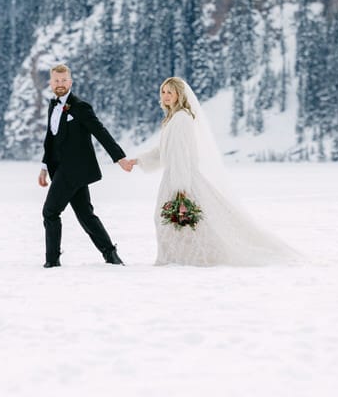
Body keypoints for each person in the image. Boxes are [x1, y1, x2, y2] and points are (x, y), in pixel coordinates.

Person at [119, 77, 302, 266]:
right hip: (174, 177)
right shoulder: (173, 118)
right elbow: (164, 151)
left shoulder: (181, 118)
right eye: (163, 92)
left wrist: (181, 190)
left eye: (170, 92)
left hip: (181, 178)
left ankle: (183, 258)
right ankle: (177, 257)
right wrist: (138, 160)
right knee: (177, 221)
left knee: (181, 221)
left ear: (179, 95)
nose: (165, 96)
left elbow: (181, 154)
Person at [38, 64, 132, 268]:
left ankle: (52, 260)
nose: (60, 84)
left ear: (70, 82)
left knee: (50, 212)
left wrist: (120, 158)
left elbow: (100, 132)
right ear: (51, 83)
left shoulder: (80, 106)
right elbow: (50, 139)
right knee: (86, 215)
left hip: (73, 171)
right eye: (56, 80)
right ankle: (111, 255)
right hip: (62, 170)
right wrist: (44, 167)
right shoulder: (52, 105)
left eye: (64, 80)